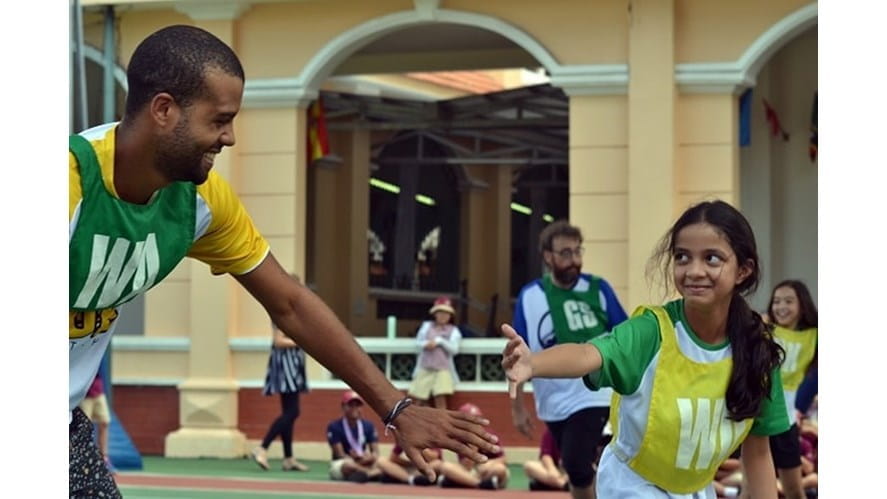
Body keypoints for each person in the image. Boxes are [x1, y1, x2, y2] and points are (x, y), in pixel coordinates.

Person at [68, 24, 499, 498]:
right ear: (164, 110)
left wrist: (396, 409)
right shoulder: (69, 187)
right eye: (219, 120)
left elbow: (290, 303)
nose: (229, 137)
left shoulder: (200, 201)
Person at [502, 200, 791, 498]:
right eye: (682, 257)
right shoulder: (652, 331)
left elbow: (757, 455)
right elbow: (590, 353)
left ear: (743, 270)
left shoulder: (758, 351)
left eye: (712, 259)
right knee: (575, 463)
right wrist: (532, 363)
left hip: (694, 490)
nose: (694, 270)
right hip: (632, 485)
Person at [509, 220, 628, 499]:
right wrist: (517, 408)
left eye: (578, 251)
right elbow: (517, 356)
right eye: (565, 253)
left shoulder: (599, 289)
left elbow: (625, 338)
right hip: (553, 401)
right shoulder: (530, 297)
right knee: (575, 469)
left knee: (575, 462)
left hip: (596, 394)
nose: (574, 259)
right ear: (548, 256)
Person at [741, 280, 818, 499]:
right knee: (749, 491)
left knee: (794, 490)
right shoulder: (764, 329)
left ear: (802, 305)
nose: (781, 307)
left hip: (787, 421)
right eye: (776, 301)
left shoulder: (814, 336)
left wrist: (801, 407)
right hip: (758, 418)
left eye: (788, 301)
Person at [250, 310, 311, 472]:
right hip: (286, 370)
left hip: (293, 369)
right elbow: (278, 341)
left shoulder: (293, 316)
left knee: (289, 412)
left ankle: (288, 458)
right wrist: (302, 342)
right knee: (292, 412)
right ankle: (263, 447)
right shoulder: (282, 315)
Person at [436, 403, 509, 490]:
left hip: (486, 471)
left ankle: (461, 482)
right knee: (446, 467)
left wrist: (488, 464)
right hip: (468, 471)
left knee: (500, 469)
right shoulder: (460, 438)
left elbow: (503, 458)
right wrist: (473, 446)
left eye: (478, 419)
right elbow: (466, 466)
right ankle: (480, 484)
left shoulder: (489, 435)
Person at [407, 296, 462, 410]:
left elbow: (454, 349)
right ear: (435, 314)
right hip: (425, 367)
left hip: (442, 369)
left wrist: (440, 341)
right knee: (418, 399)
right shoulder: (427, 326)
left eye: (446, 313)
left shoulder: (453, 331)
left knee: (440, 399)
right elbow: (418, 343)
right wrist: (426, 344)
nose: (443, 316)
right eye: (440, 313)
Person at [326, 390, 382, 483]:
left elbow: (375, 452)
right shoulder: (334, 426)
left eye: (358, 405)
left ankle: (362, 475)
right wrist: (356, 458)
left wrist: (370, 458)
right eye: (350, 405)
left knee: (383, 462)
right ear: (343, 407)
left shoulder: (368, 425)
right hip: (343, 462)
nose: (354, 408)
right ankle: (371, 474)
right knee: (349, 465)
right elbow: (340, 454)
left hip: (364, 461)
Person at [78, 372, 114, 473]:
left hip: (98, 391)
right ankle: (84, 460)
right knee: (84, 429)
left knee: (105, 422)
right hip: (84, 394)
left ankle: (104, 458)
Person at [375, 443, 442, 486]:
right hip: (409, 469)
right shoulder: (404, 437)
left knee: (438, 464)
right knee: (381, 461)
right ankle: (411, 480)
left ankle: (403, 478)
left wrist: (419, 446)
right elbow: (393, 458)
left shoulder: (430, 436)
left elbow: (434, 458)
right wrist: (410, 463)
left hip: (425, 468)